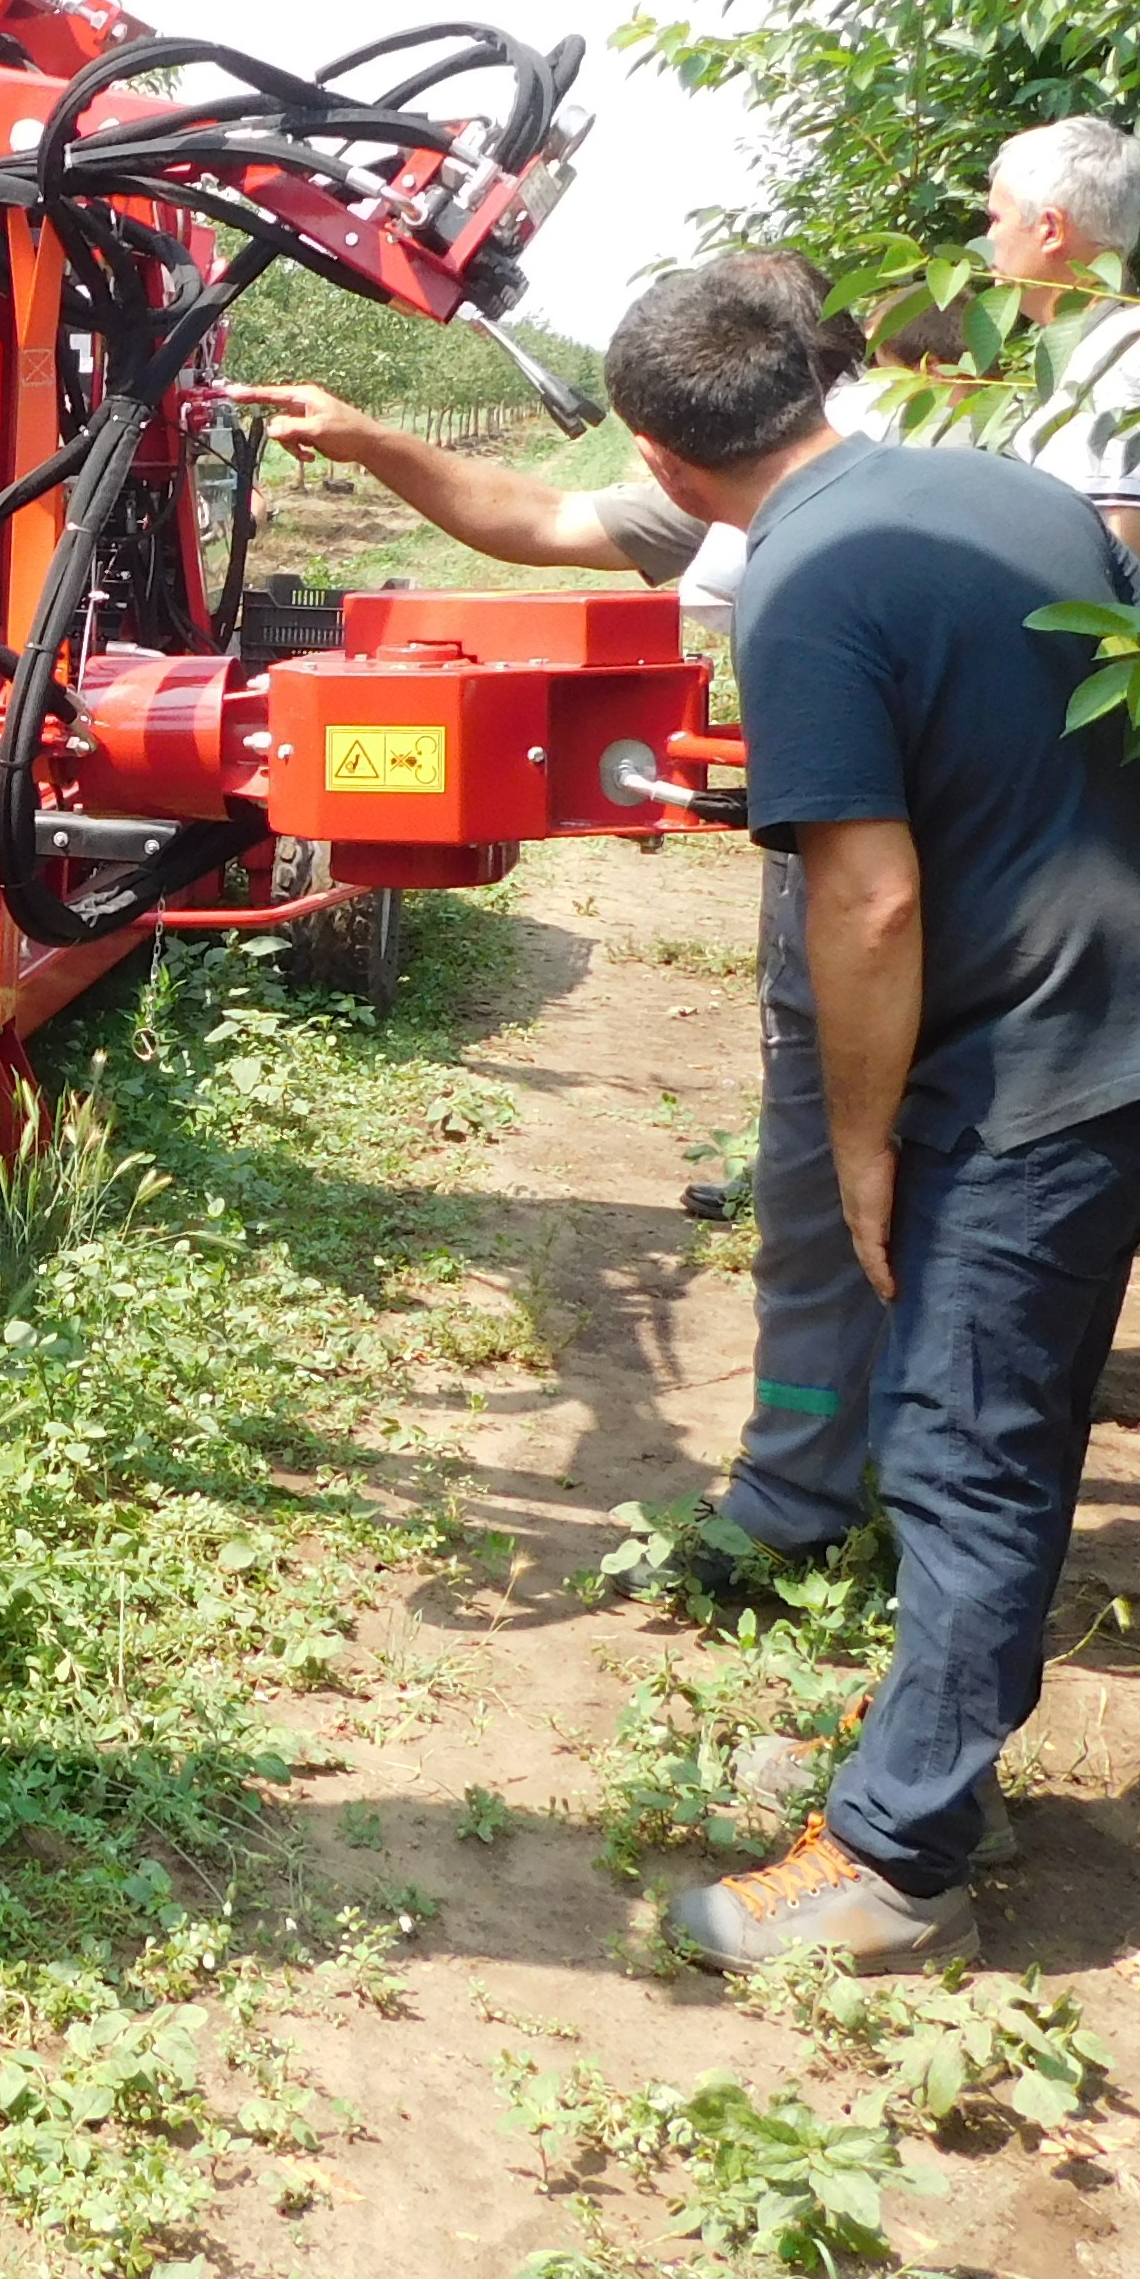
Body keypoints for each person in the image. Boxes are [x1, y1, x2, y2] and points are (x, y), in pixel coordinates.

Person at [581, 262, 1140, 1971]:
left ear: (662, 462)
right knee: (988, 1412)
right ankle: (928, 1745)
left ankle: (897, 1864)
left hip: (1046, 1069)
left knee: (965, 1449)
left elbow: (870, 902)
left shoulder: (801, 585)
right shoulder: (1010, 489)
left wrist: (858, 1144)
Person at [227, 253, 889, 1569]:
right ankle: (871, 1463)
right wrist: (371, 439)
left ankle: (815, 1504)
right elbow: (538, 517)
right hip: (875, 859)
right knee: (848, 1175)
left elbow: (884, 888)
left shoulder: (860, 495)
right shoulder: (752, 471)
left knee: (850, 1163)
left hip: (892, 871)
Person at [984, 114, 1140, 602]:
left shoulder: (1115, 367)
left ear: (1049, 229)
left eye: (996, 219)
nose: (989, 241)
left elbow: (1107, 563)